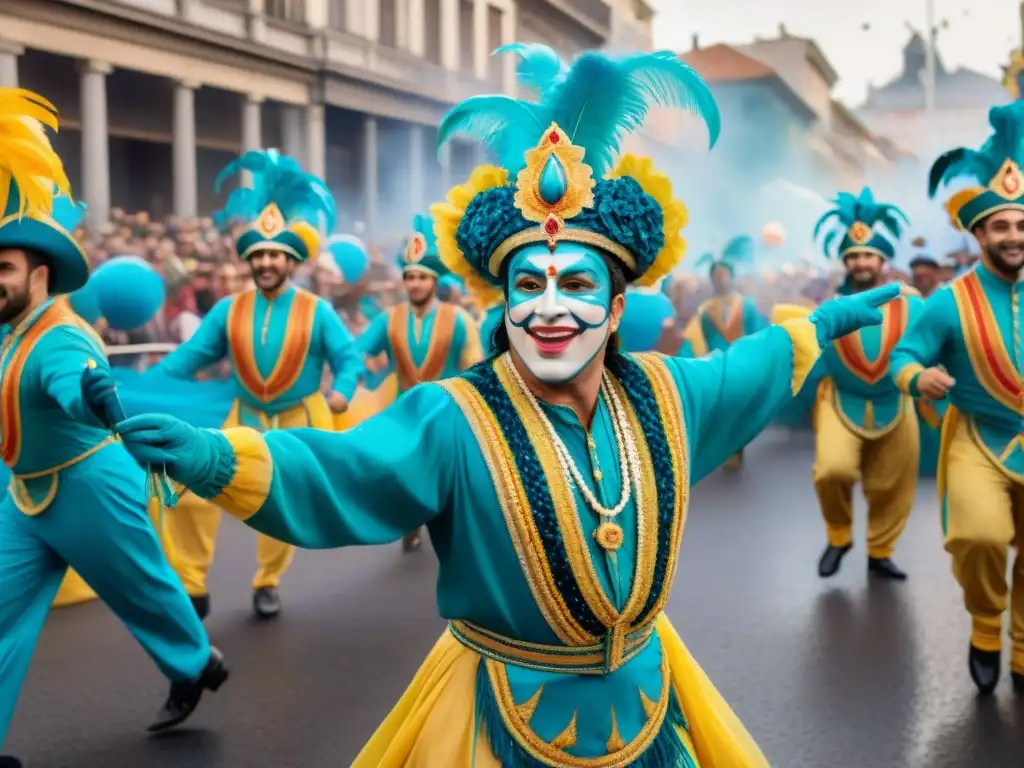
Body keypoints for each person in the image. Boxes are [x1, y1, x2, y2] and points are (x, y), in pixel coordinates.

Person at [83, 44, 897, 767]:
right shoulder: (453, 416)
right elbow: (341, 469)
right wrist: (213, 455)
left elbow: (746, 369)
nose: (548, 307)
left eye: (577, 285)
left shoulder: (664, 392)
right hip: (500, 721)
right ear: (501, 304)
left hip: (653, 713)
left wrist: (817, 326)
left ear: (616, 308)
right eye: (527, 285)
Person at [0, 88, 226, 766]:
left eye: (3, 269)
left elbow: (72, 388)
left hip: (92, 487)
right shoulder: (9, 334)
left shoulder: (62, 338)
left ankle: (195, 662)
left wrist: (92, 398)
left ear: (40, 274)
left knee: (146, 590)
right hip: (25, 494)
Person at [150, 149, 364, 620]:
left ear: (291, 262)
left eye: (276, 255)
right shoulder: (229, 309)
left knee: (275, 506)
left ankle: (267, 582)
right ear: (249, 259)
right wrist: (146, 385)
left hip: (297, 422)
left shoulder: (317, 310)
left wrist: (342, 391)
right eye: (259, 254)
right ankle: (191, 584)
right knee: (185, 484)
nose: (266, 261)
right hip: (242, 417)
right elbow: (191, 356)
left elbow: (346, 359)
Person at [891, 101, 1024, 696]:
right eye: (1001, 226)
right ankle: (985, 626)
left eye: (1022, 224)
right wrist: (917, 378)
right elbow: (903, 357)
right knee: (979, 537)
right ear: (978, 234)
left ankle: (1021, 643)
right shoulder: (948, 300)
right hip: (979, 437)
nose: (1014, 236)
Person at [807, 188, 923, 580]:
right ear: (846, 262)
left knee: (892, 484)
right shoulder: (827, 310)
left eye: (867, 255)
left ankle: (880, 551)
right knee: (831, 471)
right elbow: (805, 353)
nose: (860, 262)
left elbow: (937, 342)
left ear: (881, 260)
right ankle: (839, 536)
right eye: (853, 256)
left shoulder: (912, 305)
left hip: (896, 403)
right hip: (842, 402)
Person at [355, 213, 483, 552]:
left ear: (434, 281)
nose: (414, 284)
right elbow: (356, 351)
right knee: (405, 474)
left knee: (449, 478)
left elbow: (474, 364)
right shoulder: (388, 319)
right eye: (409, 277)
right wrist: (355, 371)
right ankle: (412, 521)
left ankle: (448, 528)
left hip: (447, 414)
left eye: (421, 278)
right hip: (404, 414)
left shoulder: (459, 320)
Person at [679, 236, 768, 470]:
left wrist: (759, 359)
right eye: (716, 276)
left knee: (738, 409)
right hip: (716, 366)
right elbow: (695, 337)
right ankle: (726, 452)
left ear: (732, 277)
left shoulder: (746, 305)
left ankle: (736, 448)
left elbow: (758, 332)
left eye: (724, 275)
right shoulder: (705, 309)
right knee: (721, 410)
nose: (720, 279)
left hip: (742, 365)